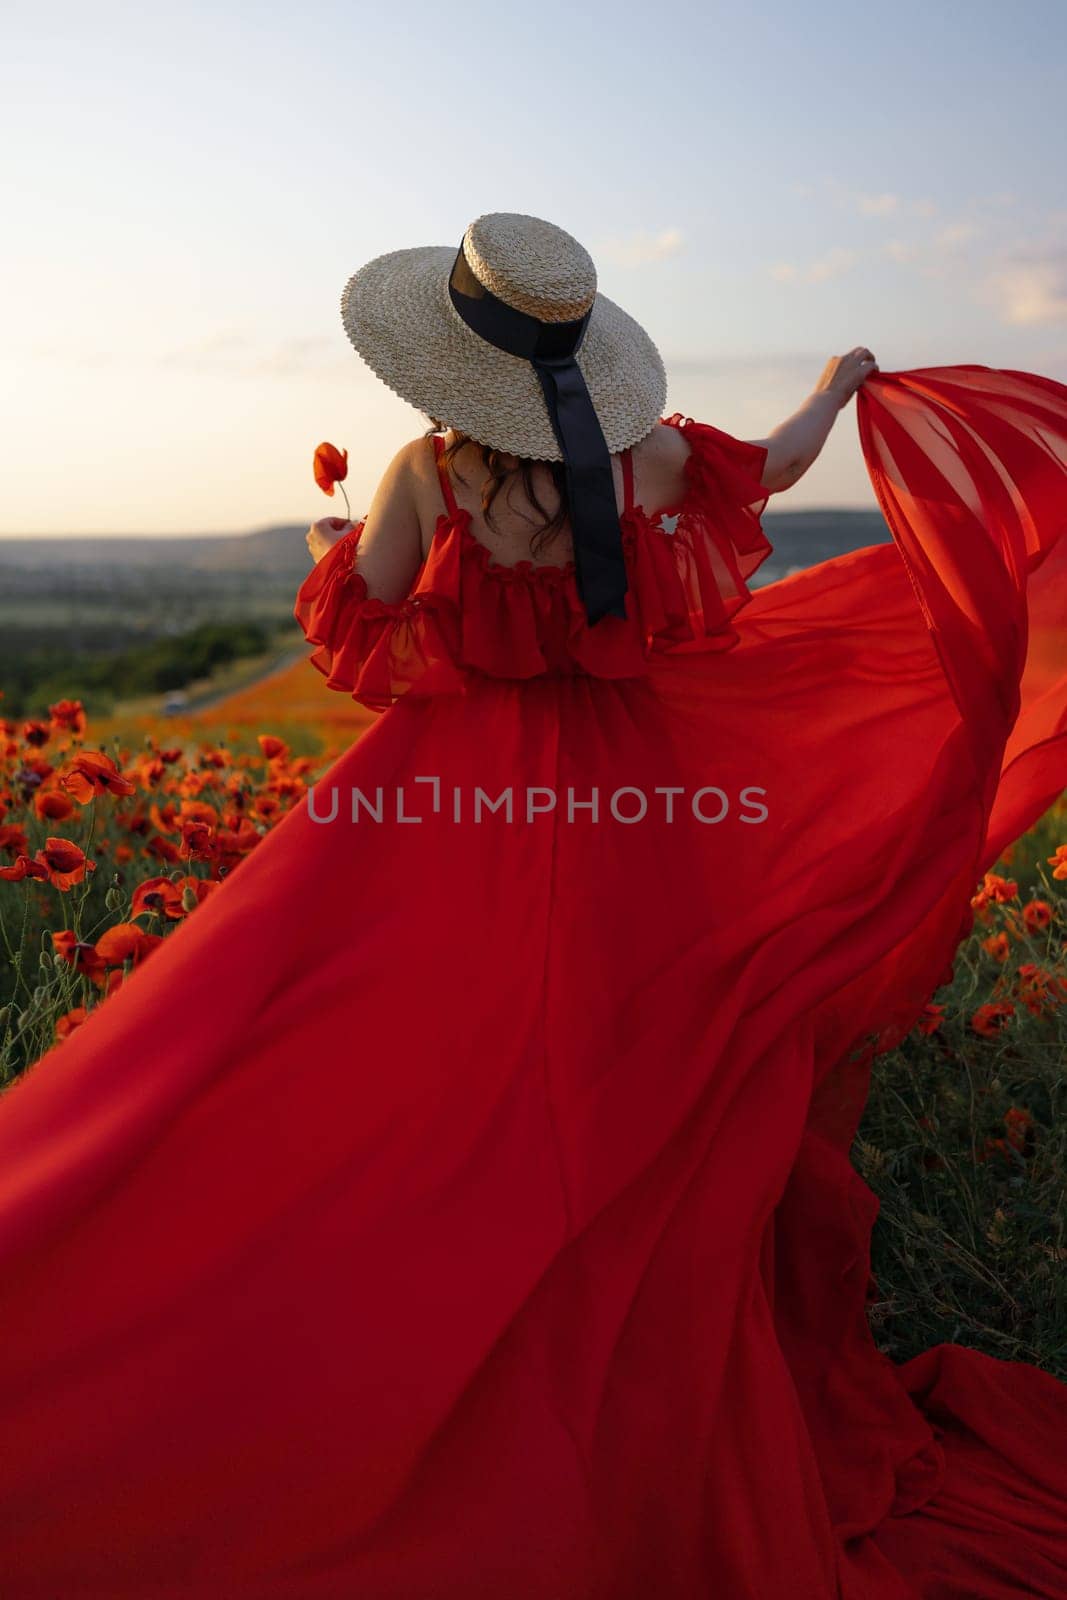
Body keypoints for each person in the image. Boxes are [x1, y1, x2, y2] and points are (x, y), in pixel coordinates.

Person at [0, 210, 1064, 1599]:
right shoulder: (645, 455)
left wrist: (333, 538)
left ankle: (437, 1293)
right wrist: (841, 383)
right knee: (637, 1072)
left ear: (452, 367)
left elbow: (361, 647)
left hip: (461, 803)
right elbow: (785, 464)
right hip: (647, 803)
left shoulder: (430, 473)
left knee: (399, 1056)